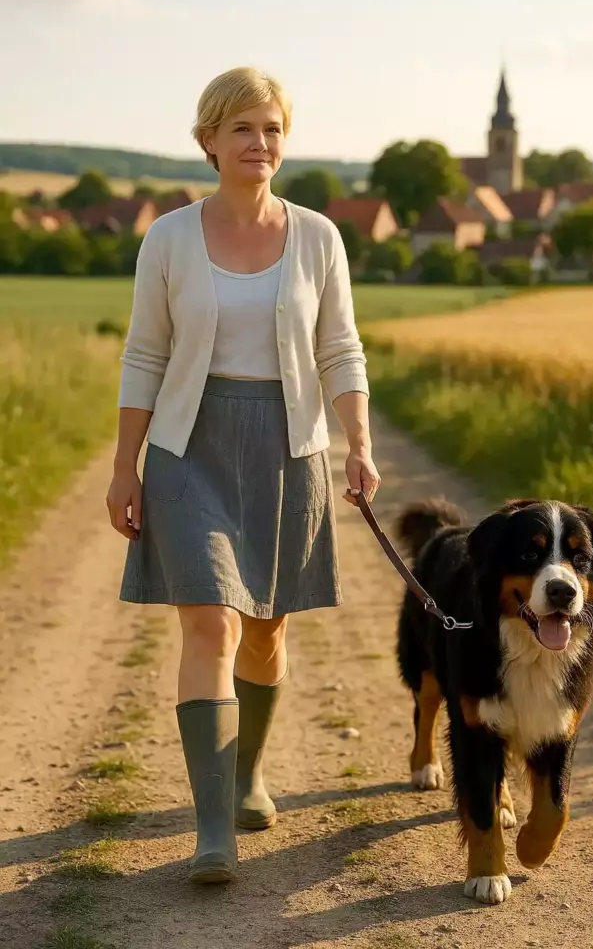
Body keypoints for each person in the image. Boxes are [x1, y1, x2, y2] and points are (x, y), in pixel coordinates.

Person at [105, 66, 380, 884]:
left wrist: (357, 440)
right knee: (210, 626)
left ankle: (249, 772)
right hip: (189, 445)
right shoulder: (168, 237)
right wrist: (126, 468)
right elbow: (145, 355)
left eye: (271, 129)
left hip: (288, 447)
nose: (259, 144)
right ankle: (212, 828)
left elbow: (340, 347)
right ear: (209, 142)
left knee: (265, 626)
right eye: (242, 130)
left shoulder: (320, 237)